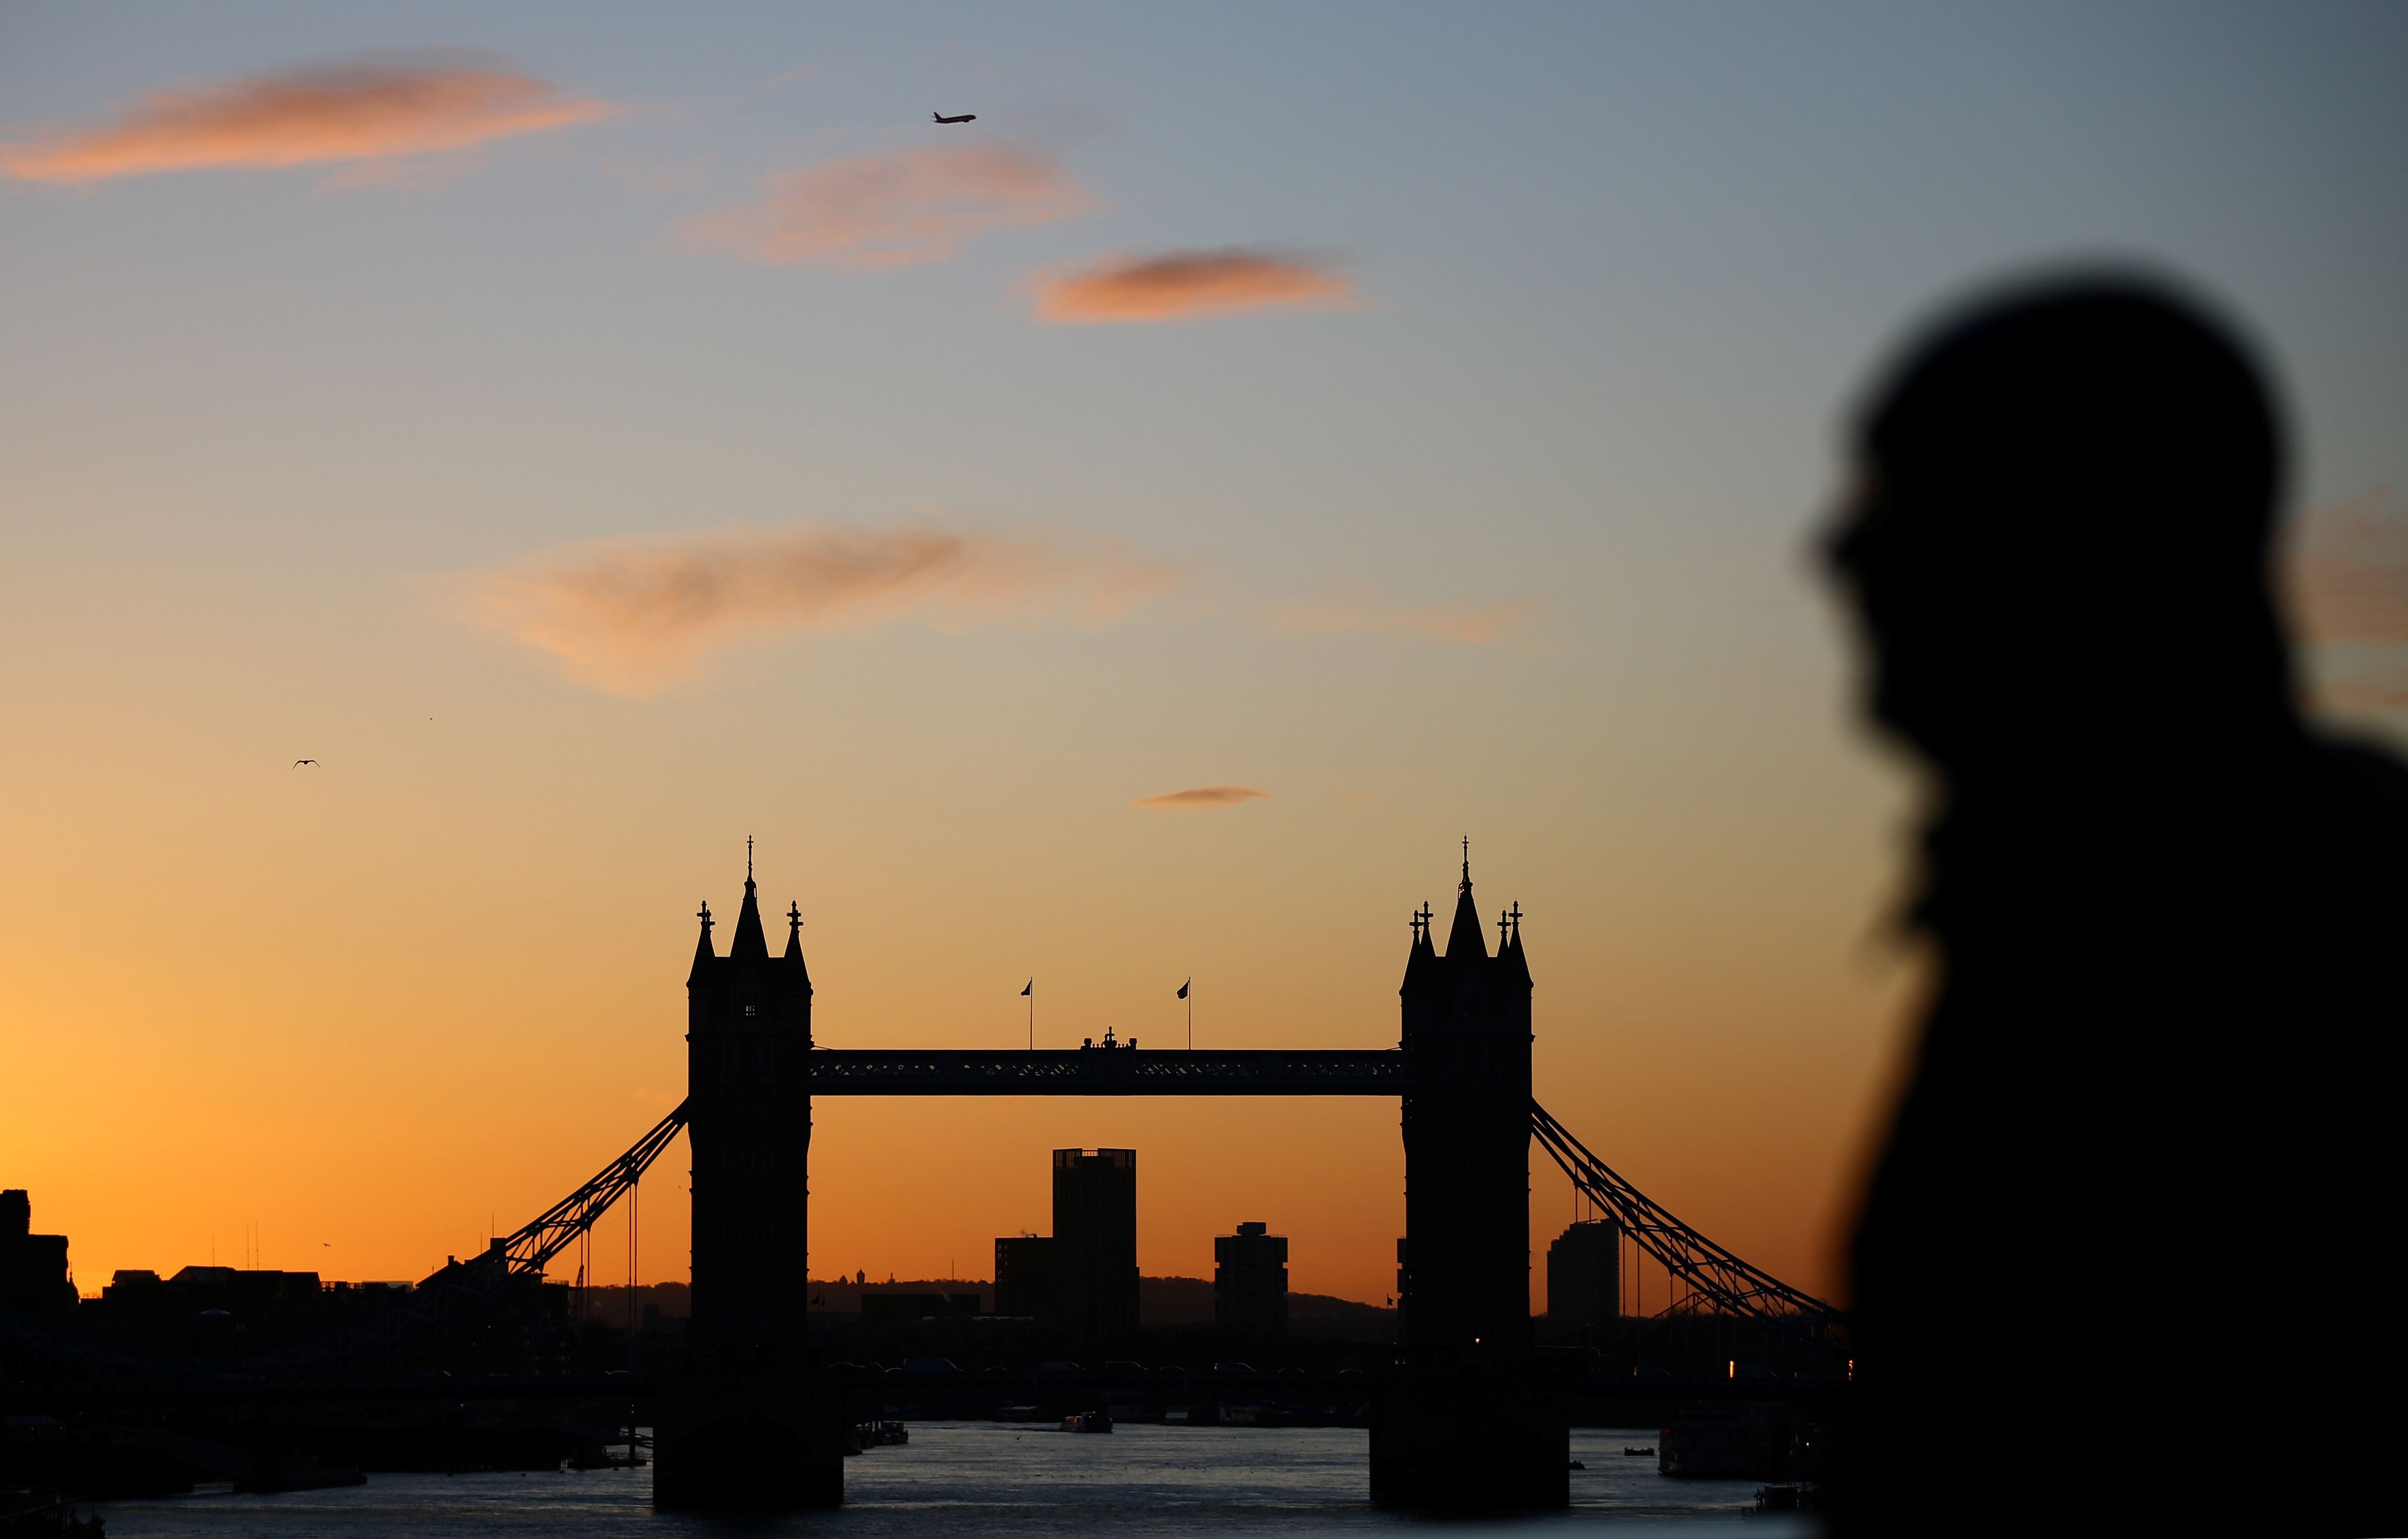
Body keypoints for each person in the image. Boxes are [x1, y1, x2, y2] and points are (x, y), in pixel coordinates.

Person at [1823, 277, 2408, 1534]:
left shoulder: (2230, 929)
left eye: (1897, 502)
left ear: (2076, 539)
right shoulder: (2054, 897)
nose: (1832, 554)